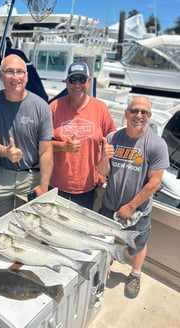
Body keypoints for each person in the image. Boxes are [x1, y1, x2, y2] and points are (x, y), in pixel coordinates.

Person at [98, 95, 169, 299]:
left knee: (137, 244)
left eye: (144, 112)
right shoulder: (113, 138)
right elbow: (103, 171)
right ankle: (106, 266)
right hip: (110, 206)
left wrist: (131, 206)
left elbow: (154, 182)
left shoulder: (156, 144)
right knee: (106, 240)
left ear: (149, 116)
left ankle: (135, 274)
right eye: (135, 111)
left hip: (137, 211)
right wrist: (104, 157)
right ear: (127, 113)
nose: (139, 115)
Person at [0, 54, 53, 217]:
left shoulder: (41, 106)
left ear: (26, 77)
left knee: (29, 228)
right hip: (1, 174)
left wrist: (44, 185)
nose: (15, 77)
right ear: (1, 75)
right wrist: (6, 151)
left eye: (20, 72)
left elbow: (46, 151)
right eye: (10, 72)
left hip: (30, 177)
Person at [49, 61, 116, 209]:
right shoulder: (54, 108)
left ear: (89, 81)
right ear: (66, 82)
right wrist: (63, 146)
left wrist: (103, 172)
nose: (77, 85)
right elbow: (41, 145)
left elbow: (111, 142)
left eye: (82, 80)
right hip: (55, 185)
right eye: (73, 80)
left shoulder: (101, 108)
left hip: (87, 187)